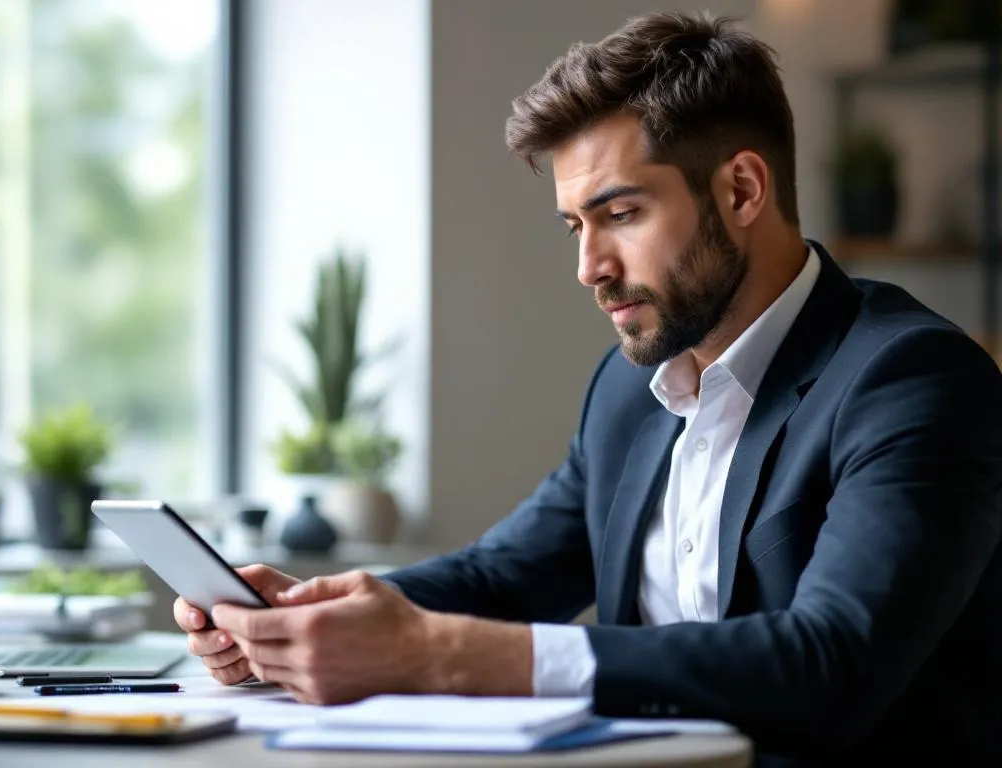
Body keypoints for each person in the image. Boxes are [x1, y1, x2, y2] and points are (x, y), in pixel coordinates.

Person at [174, 10, 1002, 766]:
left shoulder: (913, 379)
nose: (589, 268)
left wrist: (434, 654)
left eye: (622, 213)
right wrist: (308, 614)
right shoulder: (628, 390)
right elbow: (505, 575)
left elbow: (832, 663)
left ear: (742, 189)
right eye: (577, 225)